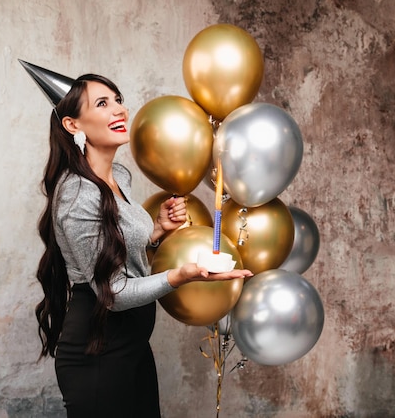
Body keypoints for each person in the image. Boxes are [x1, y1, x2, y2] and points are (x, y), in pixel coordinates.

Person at [33, 72, 253, 418]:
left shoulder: (119, 177)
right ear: (73, 124)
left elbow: (114, 248)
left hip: (132, 344)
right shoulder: (77, 195)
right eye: (102, 104)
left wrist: (155, 231)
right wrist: (179, 276)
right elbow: (113, 293)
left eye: (118, 100)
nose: (119, 110)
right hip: (97, 350)